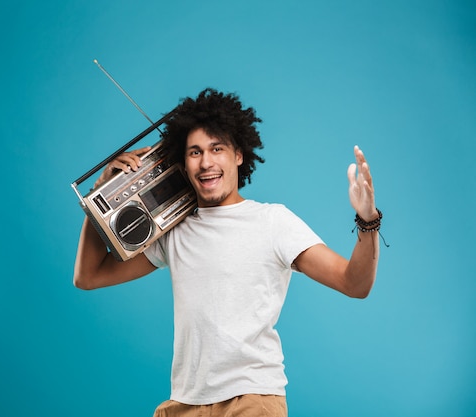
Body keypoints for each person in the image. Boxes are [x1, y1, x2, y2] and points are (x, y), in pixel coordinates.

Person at [73, 88, 382, 417]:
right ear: (182, 162)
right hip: (183, 403)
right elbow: (89, 276)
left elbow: (355, 283)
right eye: (194, 152)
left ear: (238, 154)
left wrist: (367, 220)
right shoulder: (175, 230)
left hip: (250, 401)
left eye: (216, 148)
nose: (206, 162)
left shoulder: (273, 222)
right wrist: (98, 194)